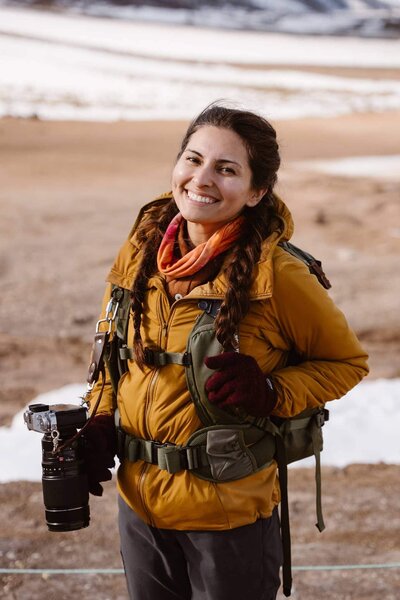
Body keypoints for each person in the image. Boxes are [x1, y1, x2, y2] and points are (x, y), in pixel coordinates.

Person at [83, 103, 369, 600]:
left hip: (228, 516)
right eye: (193, 159)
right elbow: (114, 352)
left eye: (226, 168)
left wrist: (271, 391)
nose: (202, 178)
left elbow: (347, 363)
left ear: (257, 191)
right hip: (140, 512)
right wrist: (101, 419)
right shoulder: (141, 252)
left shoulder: (277, 274)